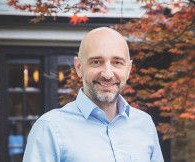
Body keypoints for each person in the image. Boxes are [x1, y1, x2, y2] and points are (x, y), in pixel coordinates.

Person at [23, 27, 164, 162]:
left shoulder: (144, 124)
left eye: (117, 62)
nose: (108, 74)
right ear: (79, 67)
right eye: (96, 62)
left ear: (128, 69)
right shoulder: (50, 128)